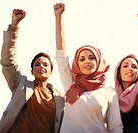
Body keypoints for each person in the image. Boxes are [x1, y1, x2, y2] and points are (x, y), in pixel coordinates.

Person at [53, 3, 123, 133]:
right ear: (77, 64)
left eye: (91, 58)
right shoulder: (70, 84)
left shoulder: (109, 93)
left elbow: (115, 127)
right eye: (82, 59)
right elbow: (61, 54)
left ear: (98, 62)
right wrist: (58, 17)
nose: (87, 61)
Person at [0, 9, 64, 133]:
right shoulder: (21, 86)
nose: (41, 67)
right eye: (37, 65)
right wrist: (14, 26)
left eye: (45, 64)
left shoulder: (59, 98)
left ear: (51, 71)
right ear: (32, 71)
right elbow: (8, 62)